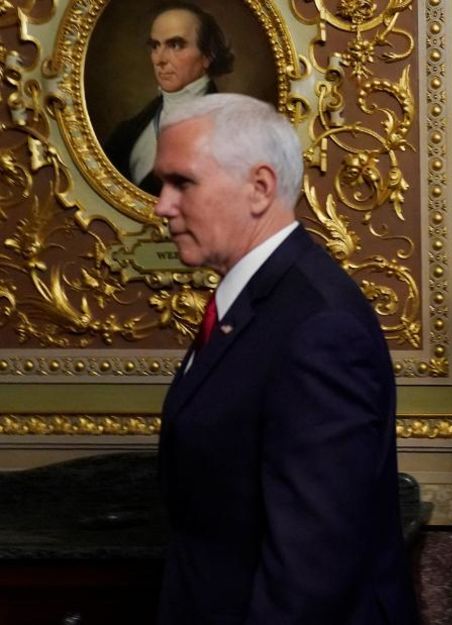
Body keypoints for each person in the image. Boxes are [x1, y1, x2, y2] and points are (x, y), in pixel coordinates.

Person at [153, 93, 417, 624]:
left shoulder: (319, 326)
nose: (162, 205)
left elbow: (311, 568)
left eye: (183, 182)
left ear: (259, 188)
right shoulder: (256, 300)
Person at [105, 2, 233, 195]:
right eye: (155, 46)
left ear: (208, 55)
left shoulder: (232, 129)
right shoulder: (127, 132)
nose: (160, 59)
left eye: (175, 45)